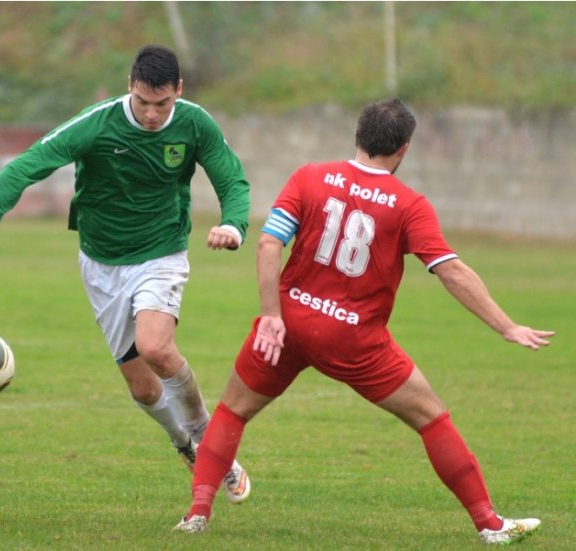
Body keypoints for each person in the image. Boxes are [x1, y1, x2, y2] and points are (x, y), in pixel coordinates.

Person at [172, 98, 554, 545]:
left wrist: (272, 316)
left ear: (358, 135)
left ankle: (197, 514)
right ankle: (490, 525)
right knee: (432, 419)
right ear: (404, 149)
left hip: (289, 323)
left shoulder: (309, 176)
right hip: (354, 339)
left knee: (232, 410)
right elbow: (451, 271)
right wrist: (506, 326)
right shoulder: (410, 205)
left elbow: (267, 246)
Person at [0, 45, 252, 503]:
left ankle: (210, 444)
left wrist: (233, 223)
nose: (151, 113)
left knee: (156, 347)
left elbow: (231, 178)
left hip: (161, 253)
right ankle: (184, 443)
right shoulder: (97, 123)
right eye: (143, 101)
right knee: (143, 388)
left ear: (178, 92)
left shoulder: (194, 123)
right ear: (130, 86)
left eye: (162, 103)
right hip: (101, 263)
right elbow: (26, 167)